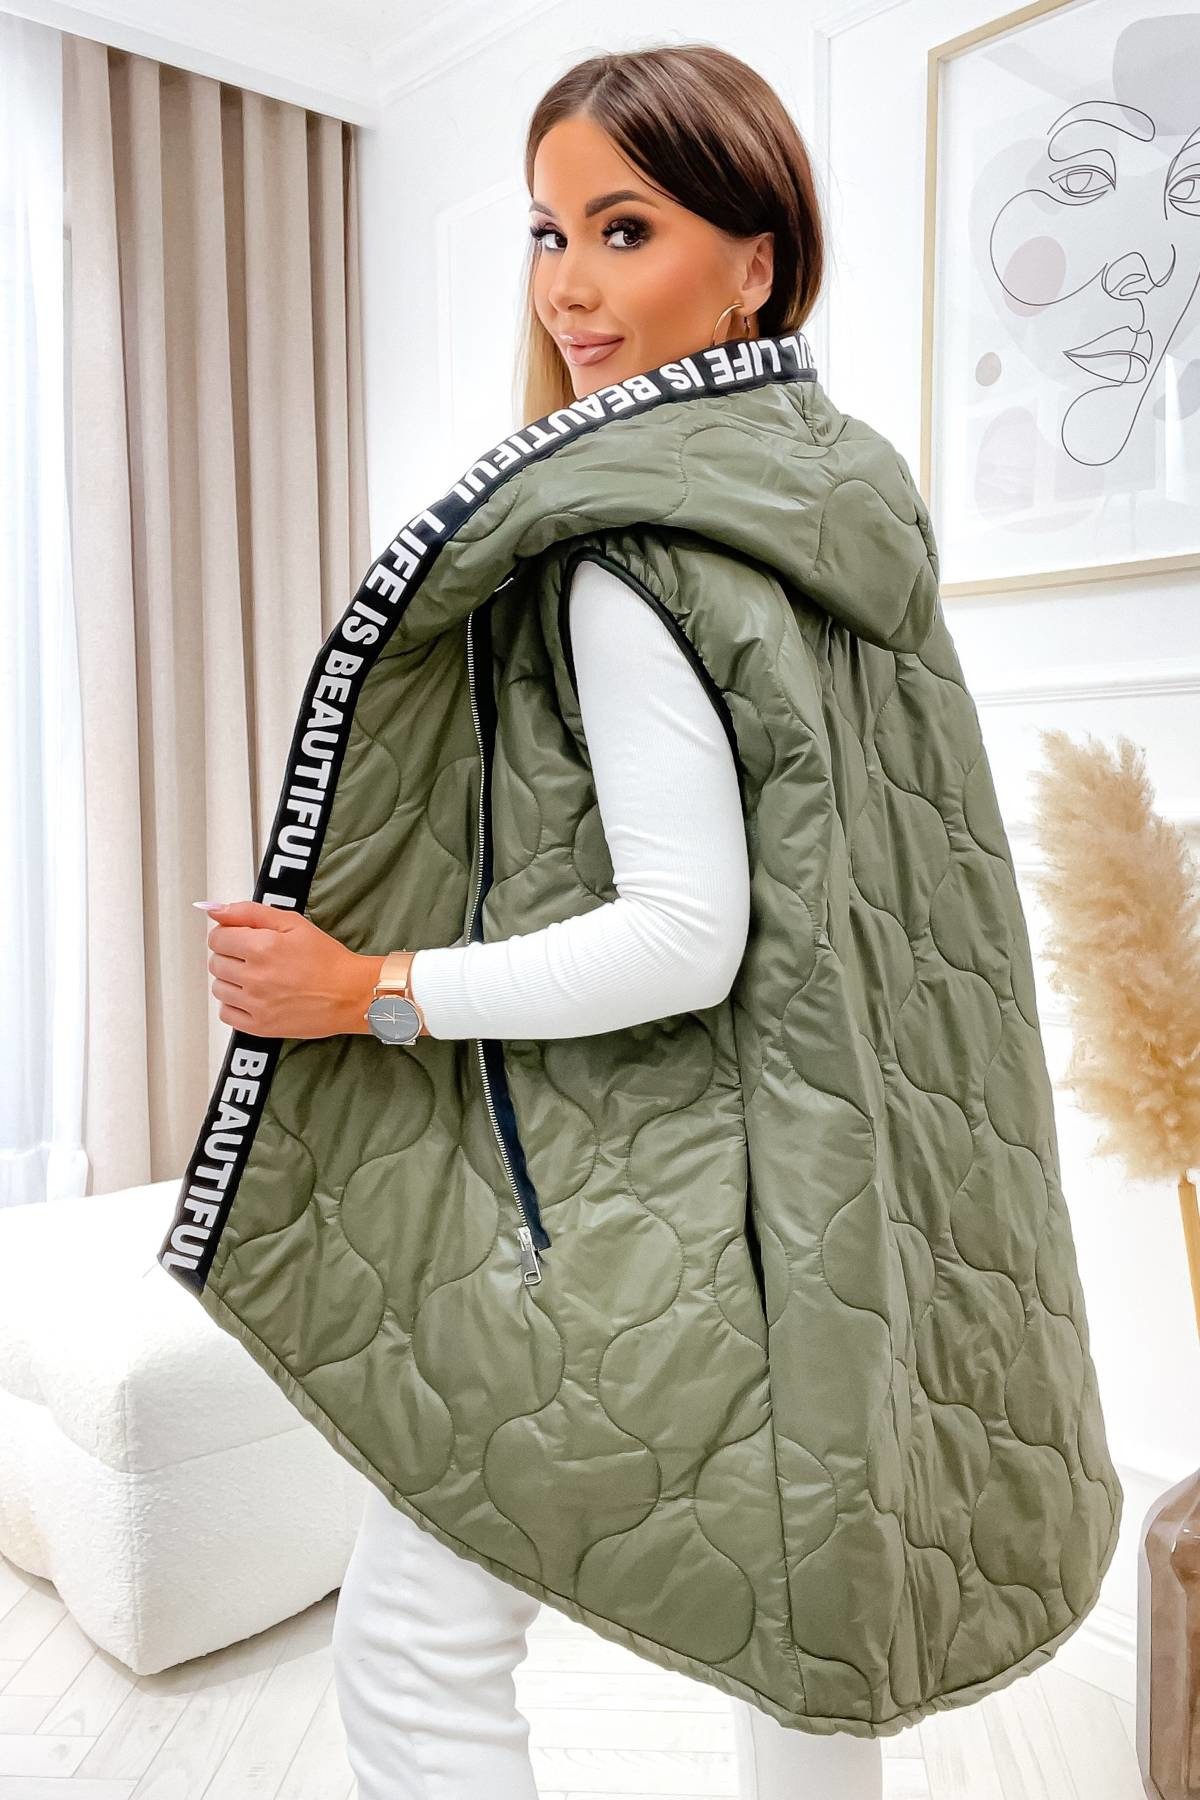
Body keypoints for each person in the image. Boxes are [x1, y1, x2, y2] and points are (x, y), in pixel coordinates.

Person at [178, 39, 1120, 1800]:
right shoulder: (835, 503)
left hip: (668, 1171)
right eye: (549, 234)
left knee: (415, 1635)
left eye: (626, 228)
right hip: (840, 1183)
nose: (572, 285)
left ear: (755, 260)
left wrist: (362, 988)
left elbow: (685, 933)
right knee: (808, 1623)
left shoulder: (625, 554)